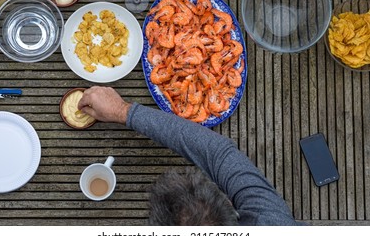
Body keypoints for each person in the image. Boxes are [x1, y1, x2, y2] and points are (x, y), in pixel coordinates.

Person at [78, 86, 302, 226]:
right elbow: (218, 153)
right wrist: (121, 111)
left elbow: (218, 153)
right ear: (227, 204)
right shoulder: (272, 224)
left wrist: (122, 111)